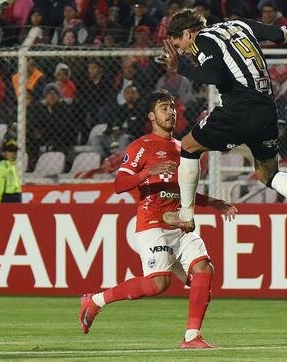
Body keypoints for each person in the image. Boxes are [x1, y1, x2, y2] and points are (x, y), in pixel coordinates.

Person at [78, 91, 237, 349]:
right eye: (164, 108)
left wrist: (214, 203)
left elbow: (182, 190)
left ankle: (191, 338)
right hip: (153, 223)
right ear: (152, 116)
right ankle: (95, 301)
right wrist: (147, 172)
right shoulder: (141, 147)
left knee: (204, 269)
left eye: (172, 107)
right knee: (158, 284)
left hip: (180, 224)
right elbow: (119, 184)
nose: (170, 112)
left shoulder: (183, 148)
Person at [161, 8, 287, 238]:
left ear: (188, 33)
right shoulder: (239, 24)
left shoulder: (202, 40)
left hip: (238, 109)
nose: (181, 51)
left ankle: (186, 215)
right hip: (267, 109)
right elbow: (280, 34)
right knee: (267, 174)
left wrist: (179, 67)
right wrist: (280, 33)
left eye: (178, 44)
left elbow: (215, 76)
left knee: (189, 146)